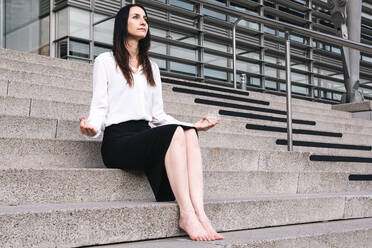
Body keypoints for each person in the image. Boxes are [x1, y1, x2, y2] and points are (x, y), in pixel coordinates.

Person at [79, 4, 224, 242]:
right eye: (136, 17)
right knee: (176, 133)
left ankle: (201, 212)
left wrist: (193, 126)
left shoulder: (152, 68)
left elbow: (158, 115)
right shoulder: (105, 61)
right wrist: (92, 128)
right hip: (118, 140)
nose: (143, 21)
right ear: (122, 23)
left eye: (145, 18)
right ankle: (186, 214)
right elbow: (99, 106)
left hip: (144, 134)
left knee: (187, 133)